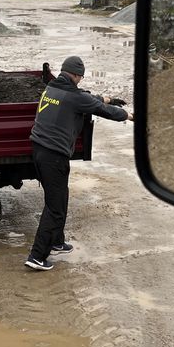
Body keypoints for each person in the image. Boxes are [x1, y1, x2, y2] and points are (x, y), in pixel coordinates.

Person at [25, 55, 133, 271]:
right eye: (81, 77)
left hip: (39, 150)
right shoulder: (73, 95)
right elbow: (100, 109)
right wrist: (127, 115)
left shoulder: (52, 88)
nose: (81, 81)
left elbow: (85, 97)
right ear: (76, 75)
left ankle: (56, 242)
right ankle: (37, 256)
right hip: (54, 156)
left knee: (60, 198)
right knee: (54, 207)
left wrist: (109, 98)